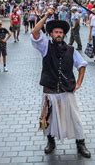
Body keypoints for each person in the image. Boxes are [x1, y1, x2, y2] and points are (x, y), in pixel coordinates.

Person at [31, 8, 91, 159]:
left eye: (60, 32)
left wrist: (78, 83)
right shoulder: (45, 46)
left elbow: (82, 65)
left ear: (64, 34)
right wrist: (46, 16)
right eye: (55, 32)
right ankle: (50, 142)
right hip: (50, 91)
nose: (58, 34)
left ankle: (80, 143)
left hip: (67, 90)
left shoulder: (71, 50)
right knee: (48, 118)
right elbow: (35, 32)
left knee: (75, 118)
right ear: (51, 34)